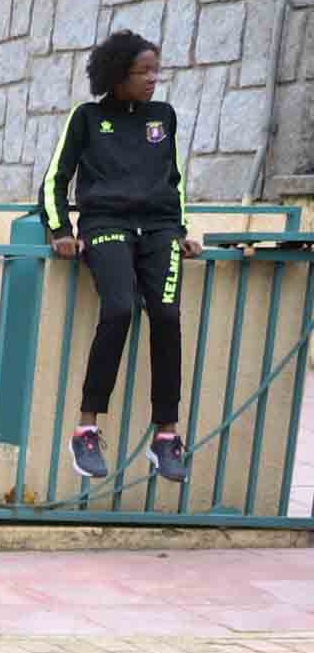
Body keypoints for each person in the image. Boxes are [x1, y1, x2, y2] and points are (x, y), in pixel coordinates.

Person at [41, 30, 199, 484]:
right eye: (142, 72)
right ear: (117, 75)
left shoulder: (162, 117)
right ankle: (87, 428)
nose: (152, 80)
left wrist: (181, 231)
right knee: (119, 308)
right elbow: (56, 178)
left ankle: (166, 436)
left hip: (160, 230)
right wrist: (60, 231)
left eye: (155, 70)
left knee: (167, 316)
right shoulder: (87, 118)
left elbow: (175, 181)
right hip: (105, 226)